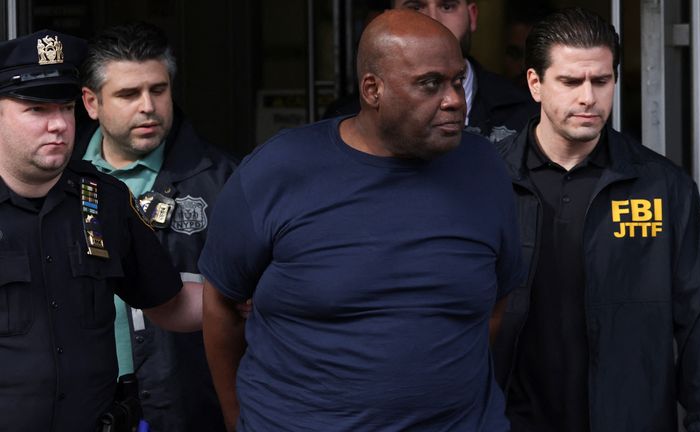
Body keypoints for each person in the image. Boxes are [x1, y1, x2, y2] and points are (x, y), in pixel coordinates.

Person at [201, 9, 524, 432]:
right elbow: (221, 304)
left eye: (457, 80)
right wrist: (236, 419)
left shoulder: (485, 168)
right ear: (373, 89)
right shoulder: (278, 170)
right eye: (430, 84)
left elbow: (495, 307)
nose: (455, 100)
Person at [493, 8, 700, 432]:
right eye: (571, 81)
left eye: (601, 80)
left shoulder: (663, 186)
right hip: (510, 421)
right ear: (535, 84)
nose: (588, 97)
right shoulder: (490, 181)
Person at [0, 29, 202, 432]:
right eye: (37, 110)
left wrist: (258, 297)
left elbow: (170, 303)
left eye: (65, 108)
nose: (57, 125)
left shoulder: (105, 200)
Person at [72, 22, 236, 432]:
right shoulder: (59, 181)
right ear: (91, 102)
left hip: (190, 407)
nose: (148, 106)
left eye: (158, 90)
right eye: (128, 94)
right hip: (85, 405)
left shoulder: (226, 182)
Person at [324, 0, 538, 145]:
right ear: (386, 19)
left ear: (472, 16)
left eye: (447, 6)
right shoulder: (345, 120)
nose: (432, 20)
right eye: (415, 7)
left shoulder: (528, 114)